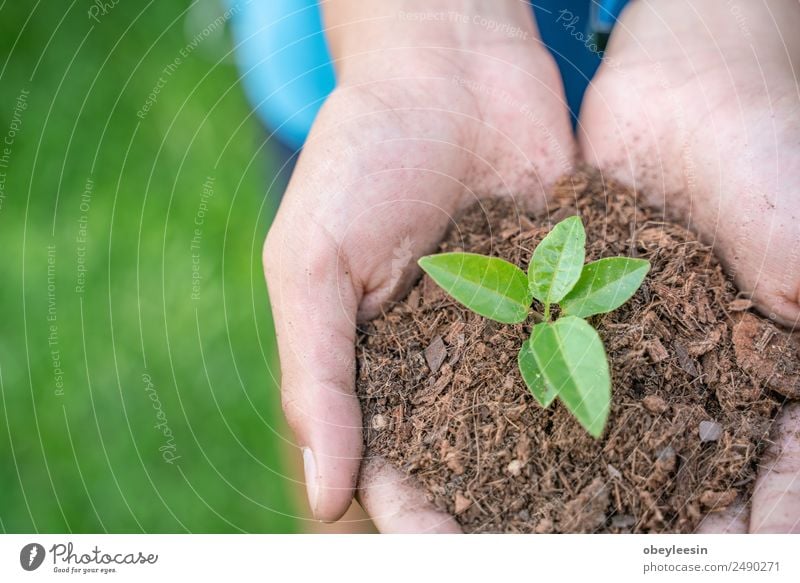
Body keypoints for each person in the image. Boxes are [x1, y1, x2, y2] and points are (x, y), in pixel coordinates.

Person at [260, 0, 800, 533]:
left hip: (655, 49)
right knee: (342, 383)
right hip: (376, 39)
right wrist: (429, 41)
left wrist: (730, 27)